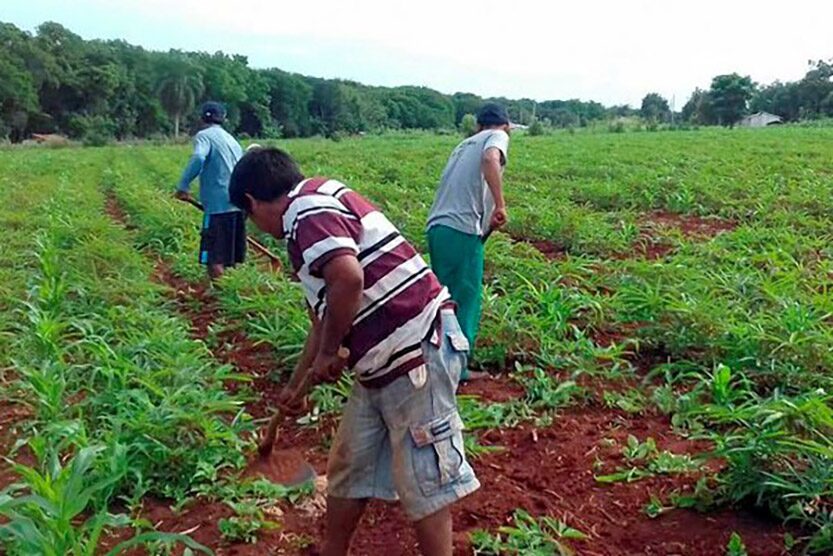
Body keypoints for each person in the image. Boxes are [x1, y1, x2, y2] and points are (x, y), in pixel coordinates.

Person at [228, 148, 479, 556]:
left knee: (426, 480)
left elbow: (348, 278)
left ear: (253, 203)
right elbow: (322, 321)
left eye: (250, 217)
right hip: (380, 363)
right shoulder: (311, 211)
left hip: (416, 348)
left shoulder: (305, 211)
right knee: (350, 465)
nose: (256, 227)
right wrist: (296, 387)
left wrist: (330, 353)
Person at [426, 103, 512, 381]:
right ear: (507, 125)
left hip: (438, 228)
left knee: (443, 298)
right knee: (465, 299)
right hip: (460, 230)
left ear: (477, 125)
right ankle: (457, 368)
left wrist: (486, 226)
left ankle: (435, 361)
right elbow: (490, 160)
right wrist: (501, 204)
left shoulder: (463, 145)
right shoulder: (496, 137)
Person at [174, 101, 245, 279]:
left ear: (201, 118)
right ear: (223, 119)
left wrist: (183, 186)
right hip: (237, 203)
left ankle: (219, 300)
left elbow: (198, 157)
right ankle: (230, 295)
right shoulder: (232, 140)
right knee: (229, 257)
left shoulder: (204, 136)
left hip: (217, 206)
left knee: (214, 257)